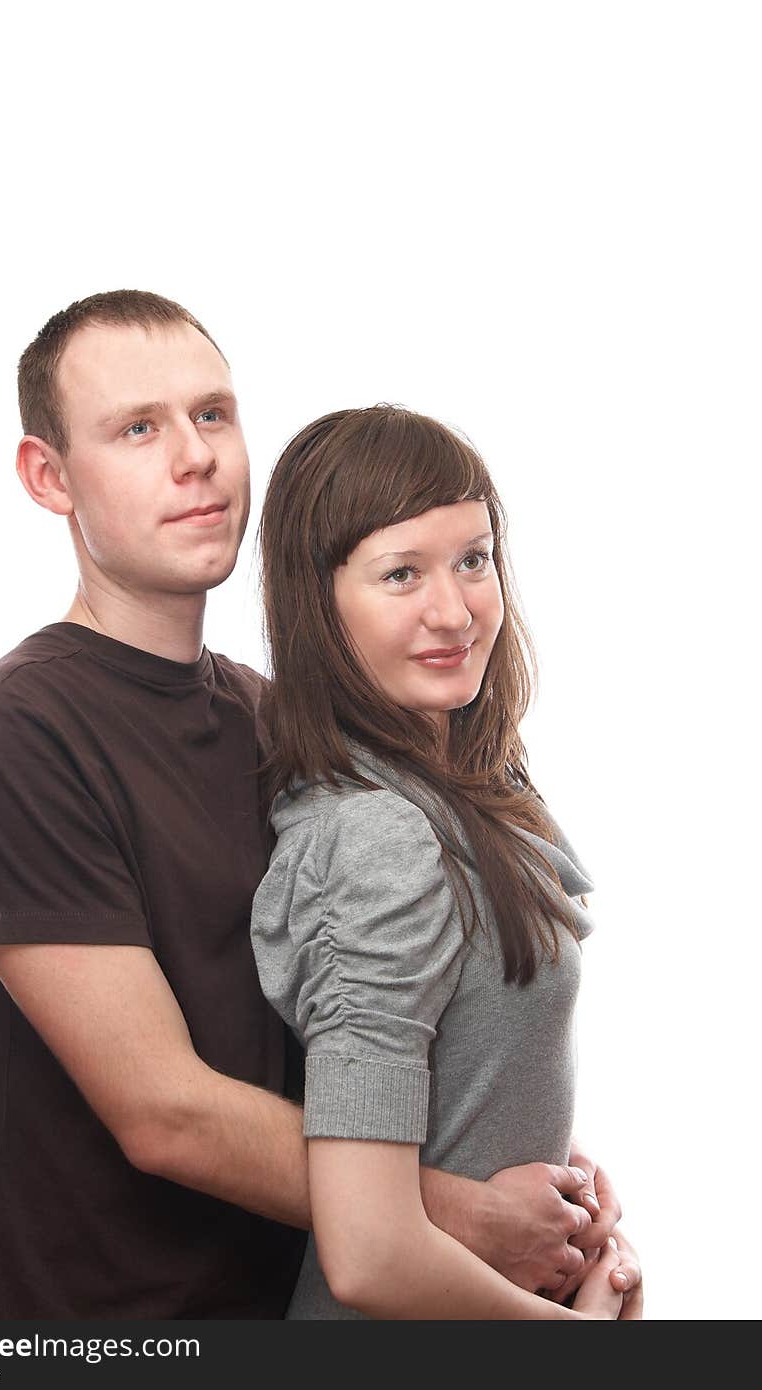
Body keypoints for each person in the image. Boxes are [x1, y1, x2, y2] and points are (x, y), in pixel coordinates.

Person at [0, 292, 639, 1319]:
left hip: (271, 1313)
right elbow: (165, 1112)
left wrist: (543, 1183)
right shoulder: (13, 733)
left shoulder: (276, 723)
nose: (193, 456)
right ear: (48, 476)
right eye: (136, 428)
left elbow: (370, 1029)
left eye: (212, 414)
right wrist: (456, 1212)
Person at [251, 405, 641, 1319]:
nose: (454, 609)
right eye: (401, 574)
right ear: (319, 607)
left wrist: (564, 1193)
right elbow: (370, 1253)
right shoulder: (376, 836)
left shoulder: (463, 781)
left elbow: (458, 1074)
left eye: (473, 558)